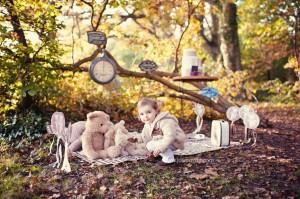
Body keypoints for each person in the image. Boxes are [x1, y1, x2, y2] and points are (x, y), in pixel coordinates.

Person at [134, 97, 186, 165]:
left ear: (156, 111)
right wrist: (137, 138)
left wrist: (161, 148)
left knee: (150, 144)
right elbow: (145, 135)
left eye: (148, 112)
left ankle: (169, 159)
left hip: (174, 141)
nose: (145, 116)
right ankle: (158, 154)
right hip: (164, 141)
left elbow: (170, 136)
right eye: (142, 114)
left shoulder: (165, 121)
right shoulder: (148, 123)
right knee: (149, 144)